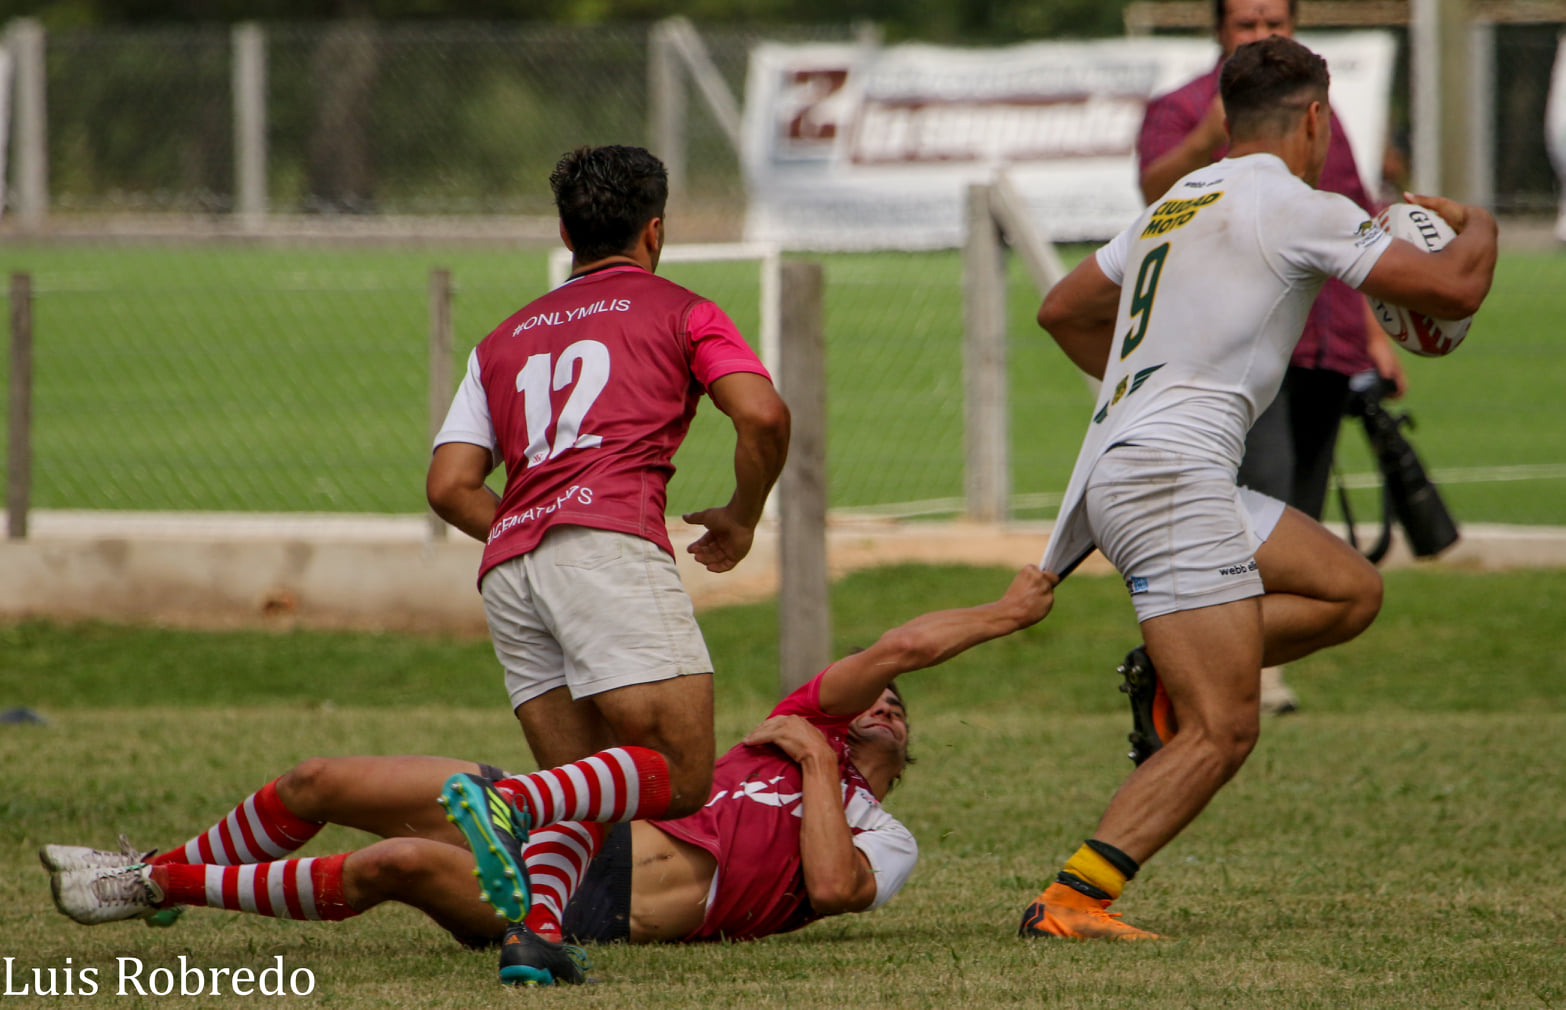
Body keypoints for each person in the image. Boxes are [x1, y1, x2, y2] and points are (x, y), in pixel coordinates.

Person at [1025, 36, 1496, 940]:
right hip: (1170, 479)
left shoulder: (1181, 197)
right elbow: (1446, 287)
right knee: (1223, 728)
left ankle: (1175, 661)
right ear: (1315, 119)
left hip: (1153, 467)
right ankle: (1072, 901)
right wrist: (1485, 227)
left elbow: (1060, 309)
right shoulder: (1298, 205)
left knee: (1349, 587)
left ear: (1228, 121)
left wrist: (1149, 392)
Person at [45, 566, 1056, 985]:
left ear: (899, 753)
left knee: (390, 864)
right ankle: (170, 870)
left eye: (896, 716)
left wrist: (821, 774)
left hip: (602, 896)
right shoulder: (799, 723)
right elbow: (899, 646)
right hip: (589, 815)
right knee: (315, 778)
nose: (882, 703)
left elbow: (833, 889)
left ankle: (152, 882)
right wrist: (1006, 613)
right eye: (873, 702)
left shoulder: (880, 826)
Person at [422, 144, 790, 943]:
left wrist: (530, 525)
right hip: (606, 545)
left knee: (584, 785)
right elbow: (762, 414)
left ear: (564, 230)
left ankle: (538, 939)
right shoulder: (683, 310)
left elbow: (449, 484)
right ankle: (506, 803)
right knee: (685, 777)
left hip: (509, 567)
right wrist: (744, 514)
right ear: (654, 231)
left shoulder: (502, 339)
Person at [1137, 0, 1408, 713]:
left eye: (1273, 22)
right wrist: (1210, 136)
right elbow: (1151, 196)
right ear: (1219, 32)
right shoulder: (1183, 107)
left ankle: (1243, 665)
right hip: (1241, 345)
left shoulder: (1321, 109)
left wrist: (1375, 337)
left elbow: (1353, 207)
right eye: (1247, 25)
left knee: (1302, 515)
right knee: (1257, 499)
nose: (1262, 35)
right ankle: (1228, 671)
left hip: (1324, 335)